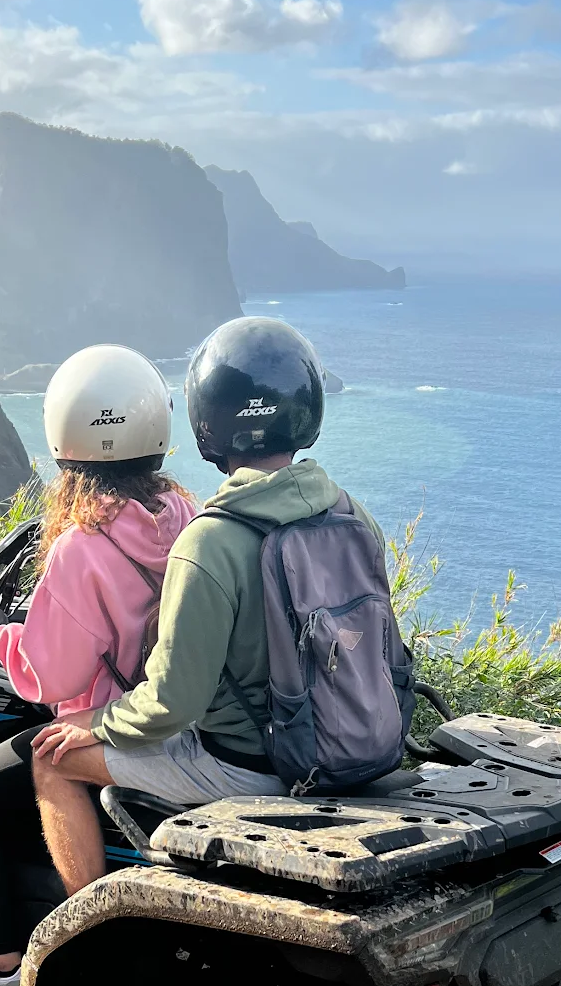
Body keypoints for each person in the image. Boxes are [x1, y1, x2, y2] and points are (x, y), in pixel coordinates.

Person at [32, 316, 386, 893]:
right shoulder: (351, 515)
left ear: (207, 423)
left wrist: (89, 721)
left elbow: (173, 702)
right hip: (348, 745)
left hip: (248, 769)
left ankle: (81, 935)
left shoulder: (211, 539)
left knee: (50, 759)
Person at [0, 345, 195, 986]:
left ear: (65, 438)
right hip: (180, 723)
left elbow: (52, 672)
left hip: (104, 729)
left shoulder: (82, 544)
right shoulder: (185, 515)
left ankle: (4, 969)